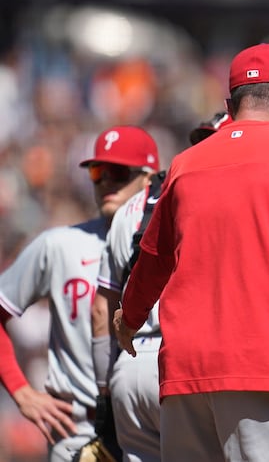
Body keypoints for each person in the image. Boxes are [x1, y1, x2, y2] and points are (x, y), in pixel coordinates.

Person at [113, 43, 269, 461]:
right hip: (268, 366)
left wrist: (131, 319)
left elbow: (153, 259)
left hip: (185, 372)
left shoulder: (186, 162)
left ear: (230, 104)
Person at [0, 125, 159, 461]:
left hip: (151, 424)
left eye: (117, 172)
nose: (105, 184)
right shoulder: (58, 245)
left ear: (148, 179)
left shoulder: (169, 246)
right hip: (77, 429)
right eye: (97, 173)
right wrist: (21, 391)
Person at [90, 112, 226, 462]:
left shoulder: (129, 210)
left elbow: (102, 308)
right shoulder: (220, 201)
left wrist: (105, 392)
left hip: (130, 369)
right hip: (183, 364)